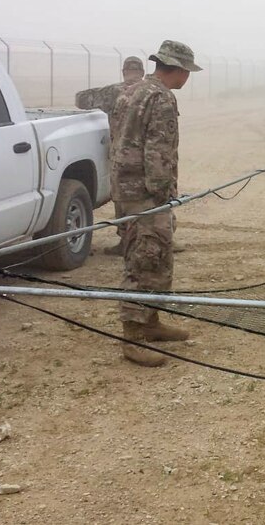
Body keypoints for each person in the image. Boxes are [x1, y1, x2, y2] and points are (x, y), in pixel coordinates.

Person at [110, 40, 202, 367]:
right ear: (175, 70)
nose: (187, 78)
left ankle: (150, 323)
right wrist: (163, 192)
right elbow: (157, 149)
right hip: (147, 194)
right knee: (145, 257)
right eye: (186, 72)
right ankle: (132, 337)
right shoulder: (161, 98)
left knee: (148, 253)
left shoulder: (132, 91)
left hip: (127, 189)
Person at [77, 56, 146, 255]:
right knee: (154, 195)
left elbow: (81, 99)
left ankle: (126, 240)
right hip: (149, 153)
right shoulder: (151, 91)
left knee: (122, 197)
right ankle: (161, 237)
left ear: (124, 72)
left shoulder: (113, 91)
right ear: (141, 72)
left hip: (122, 155)